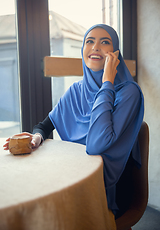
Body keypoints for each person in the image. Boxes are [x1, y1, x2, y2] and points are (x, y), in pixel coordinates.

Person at [3, 24, 144, 218]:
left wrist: (107, 83)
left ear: (115, 54)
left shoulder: (129, 92)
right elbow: (45, 125)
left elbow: (96, 145)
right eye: (89, 41)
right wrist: (37, 136)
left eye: (105, 42)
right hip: (75, 172)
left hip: (110, 184)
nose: (95, 47)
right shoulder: (76, 90)